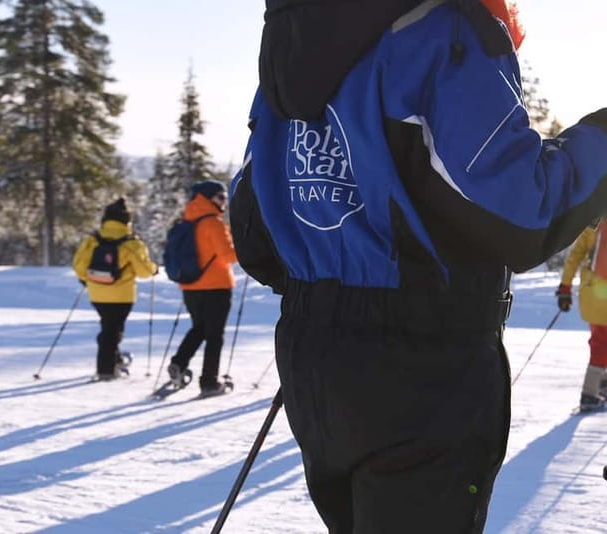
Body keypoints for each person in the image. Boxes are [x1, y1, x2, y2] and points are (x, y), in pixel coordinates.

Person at [230, 1, 607, 532]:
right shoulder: (440, 30)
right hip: (422, 360)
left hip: (315, 357)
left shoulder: (292, 40)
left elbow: (255, 234)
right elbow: (522, 211)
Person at [73, 198, 157, 380]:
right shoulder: (132, 243)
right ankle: (106, 369)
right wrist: (154, 269)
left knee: (108, 327)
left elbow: (79, 266)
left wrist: (87, 280)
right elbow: (143, 272)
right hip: (122, 295)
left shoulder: (92, 240)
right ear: (127, 220)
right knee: (112, 331)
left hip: (96, 292)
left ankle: (114, 359)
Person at [168, 180, 238, 396]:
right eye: (220, 197)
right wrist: (245, 249)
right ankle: (209, 382)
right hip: (216, 286)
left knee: (199, 328)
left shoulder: (186, 221)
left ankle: (179, 362)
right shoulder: (213, 223)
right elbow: (227, 255)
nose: (224, 201)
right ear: (207, 198)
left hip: (190, 285)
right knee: (214, 335)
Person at [556, 220, 607, 412]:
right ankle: (589, 394)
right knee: (602, 345)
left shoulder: (594, 223)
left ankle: (602, 385)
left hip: (591, 292)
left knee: (600, 341)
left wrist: (565, 288)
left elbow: (574, 256)